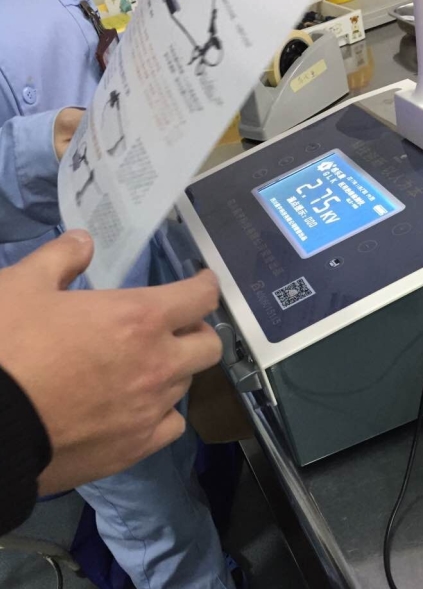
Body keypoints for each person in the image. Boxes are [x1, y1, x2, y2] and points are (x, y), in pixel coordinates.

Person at [0, 2, 239, 587]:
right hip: (58, 342)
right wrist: (34, 155)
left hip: (140, 239)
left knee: (178, 454)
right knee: (155, 520)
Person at [0, 230, 222, 536]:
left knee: (172, 448)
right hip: (54, 359)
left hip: (123, 281)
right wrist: (17, 424)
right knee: (152, 513)